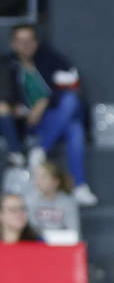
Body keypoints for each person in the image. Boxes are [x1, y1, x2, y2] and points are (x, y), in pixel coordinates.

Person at [6, 23, 95, 206]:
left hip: (51, 119)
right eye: (21, 41)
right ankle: (78, 184)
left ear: (36, 42)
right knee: (74, 127)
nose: (26, 45)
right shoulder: (6, 66)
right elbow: (6, 98)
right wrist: (18, 108)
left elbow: (72, 85)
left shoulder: (51, 60)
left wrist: (44, 102)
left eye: (30, 40)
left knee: (72, 108)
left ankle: (41, 150)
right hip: (25, 123)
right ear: (13, 44)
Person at [26, 159, 80, 243]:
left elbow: (74, 231)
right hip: (38, 244)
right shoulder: (31, 199)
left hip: (62, 244)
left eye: (43, 177)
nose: (38, 181)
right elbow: (31, 229)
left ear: (55, 182)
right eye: (37, 177)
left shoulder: (67, 201)